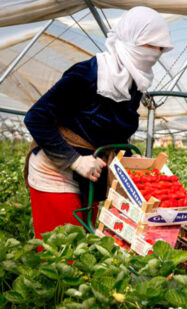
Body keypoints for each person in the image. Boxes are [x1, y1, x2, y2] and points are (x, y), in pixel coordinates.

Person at [23, 6, 173, 239]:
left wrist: (134, 163)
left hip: (90, 174)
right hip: (55, 169)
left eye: (160, 48)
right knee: (63, 248)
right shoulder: (88, 74)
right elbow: (36, 117)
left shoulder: (134, 83)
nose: (156, 53)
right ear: (130, 38)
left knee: (85, 248)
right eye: (150, 45)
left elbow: (113, 132)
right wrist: (74, 161)